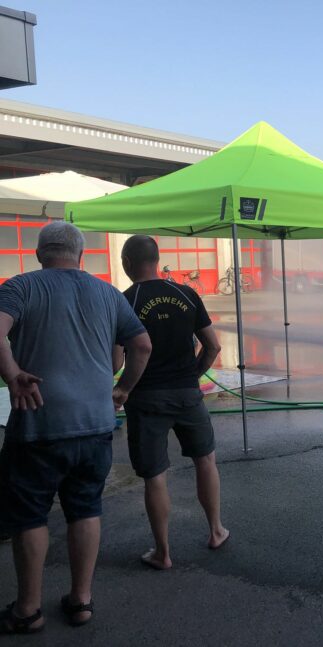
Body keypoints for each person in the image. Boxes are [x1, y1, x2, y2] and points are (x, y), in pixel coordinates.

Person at [0, 222, 151, 633]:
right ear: (81, 255)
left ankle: (27, 610)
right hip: (96, 424)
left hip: (38, 424)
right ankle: (81, 601)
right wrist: (123, 390)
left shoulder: (20, 287)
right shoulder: (106, 292)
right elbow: (141, 345)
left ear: (39, 254)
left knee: (30, 516)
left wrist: (13, 373)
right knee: (85, 508)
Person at [115, 235, 228, 571]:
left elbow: (115, 364)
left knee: (155, 475)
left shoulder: (126, 301)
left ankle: (162, 553)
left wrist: (121, 387)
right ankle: (216, 530)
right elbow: (212, 346)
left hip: (146, 398)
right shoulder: (186, 293)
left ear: (127, 263)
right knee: (205, 459)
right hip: (187, 394)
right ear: (157, 258)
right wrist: (191, 375)